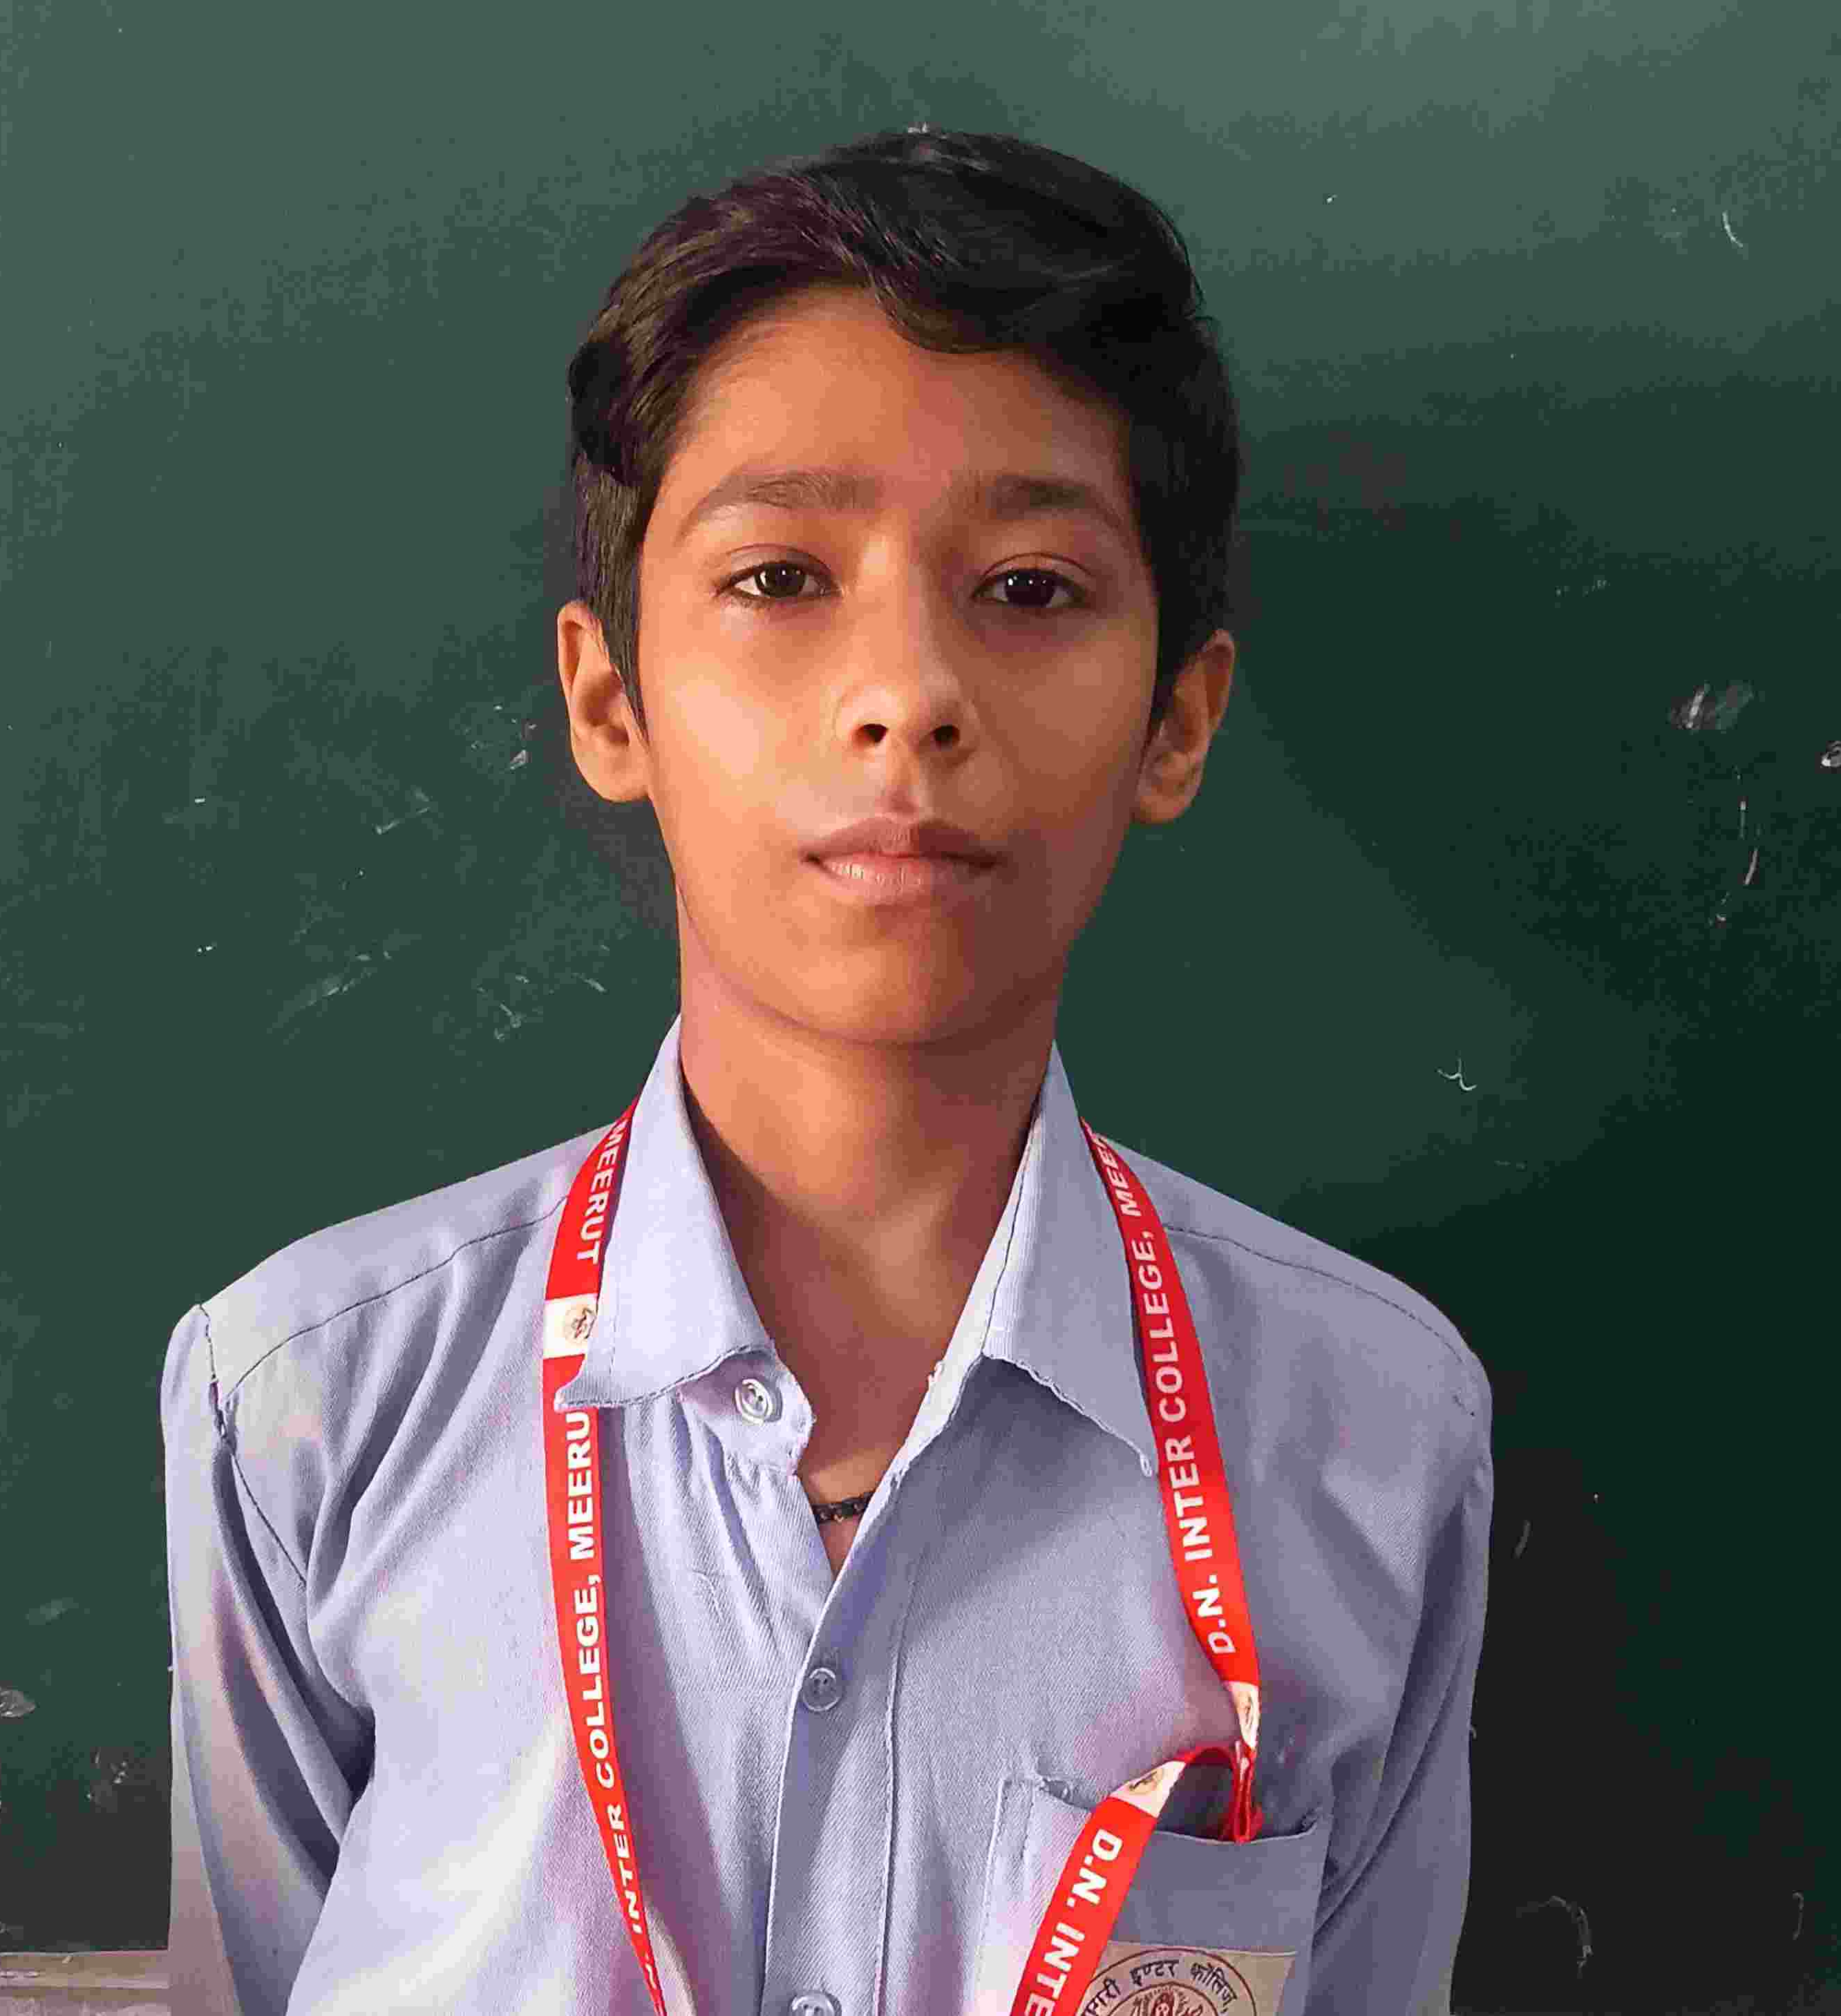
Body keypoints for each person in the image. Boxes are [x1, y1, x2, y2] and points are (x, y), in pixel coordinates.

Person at [162, 124, 1493, 2016]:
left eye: (1029, 589)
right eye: (781, 576)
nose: (907, 696)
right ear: (610, 700)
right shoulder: (308, 1403)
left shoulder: (1370, 1430)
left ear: (1176, 722)